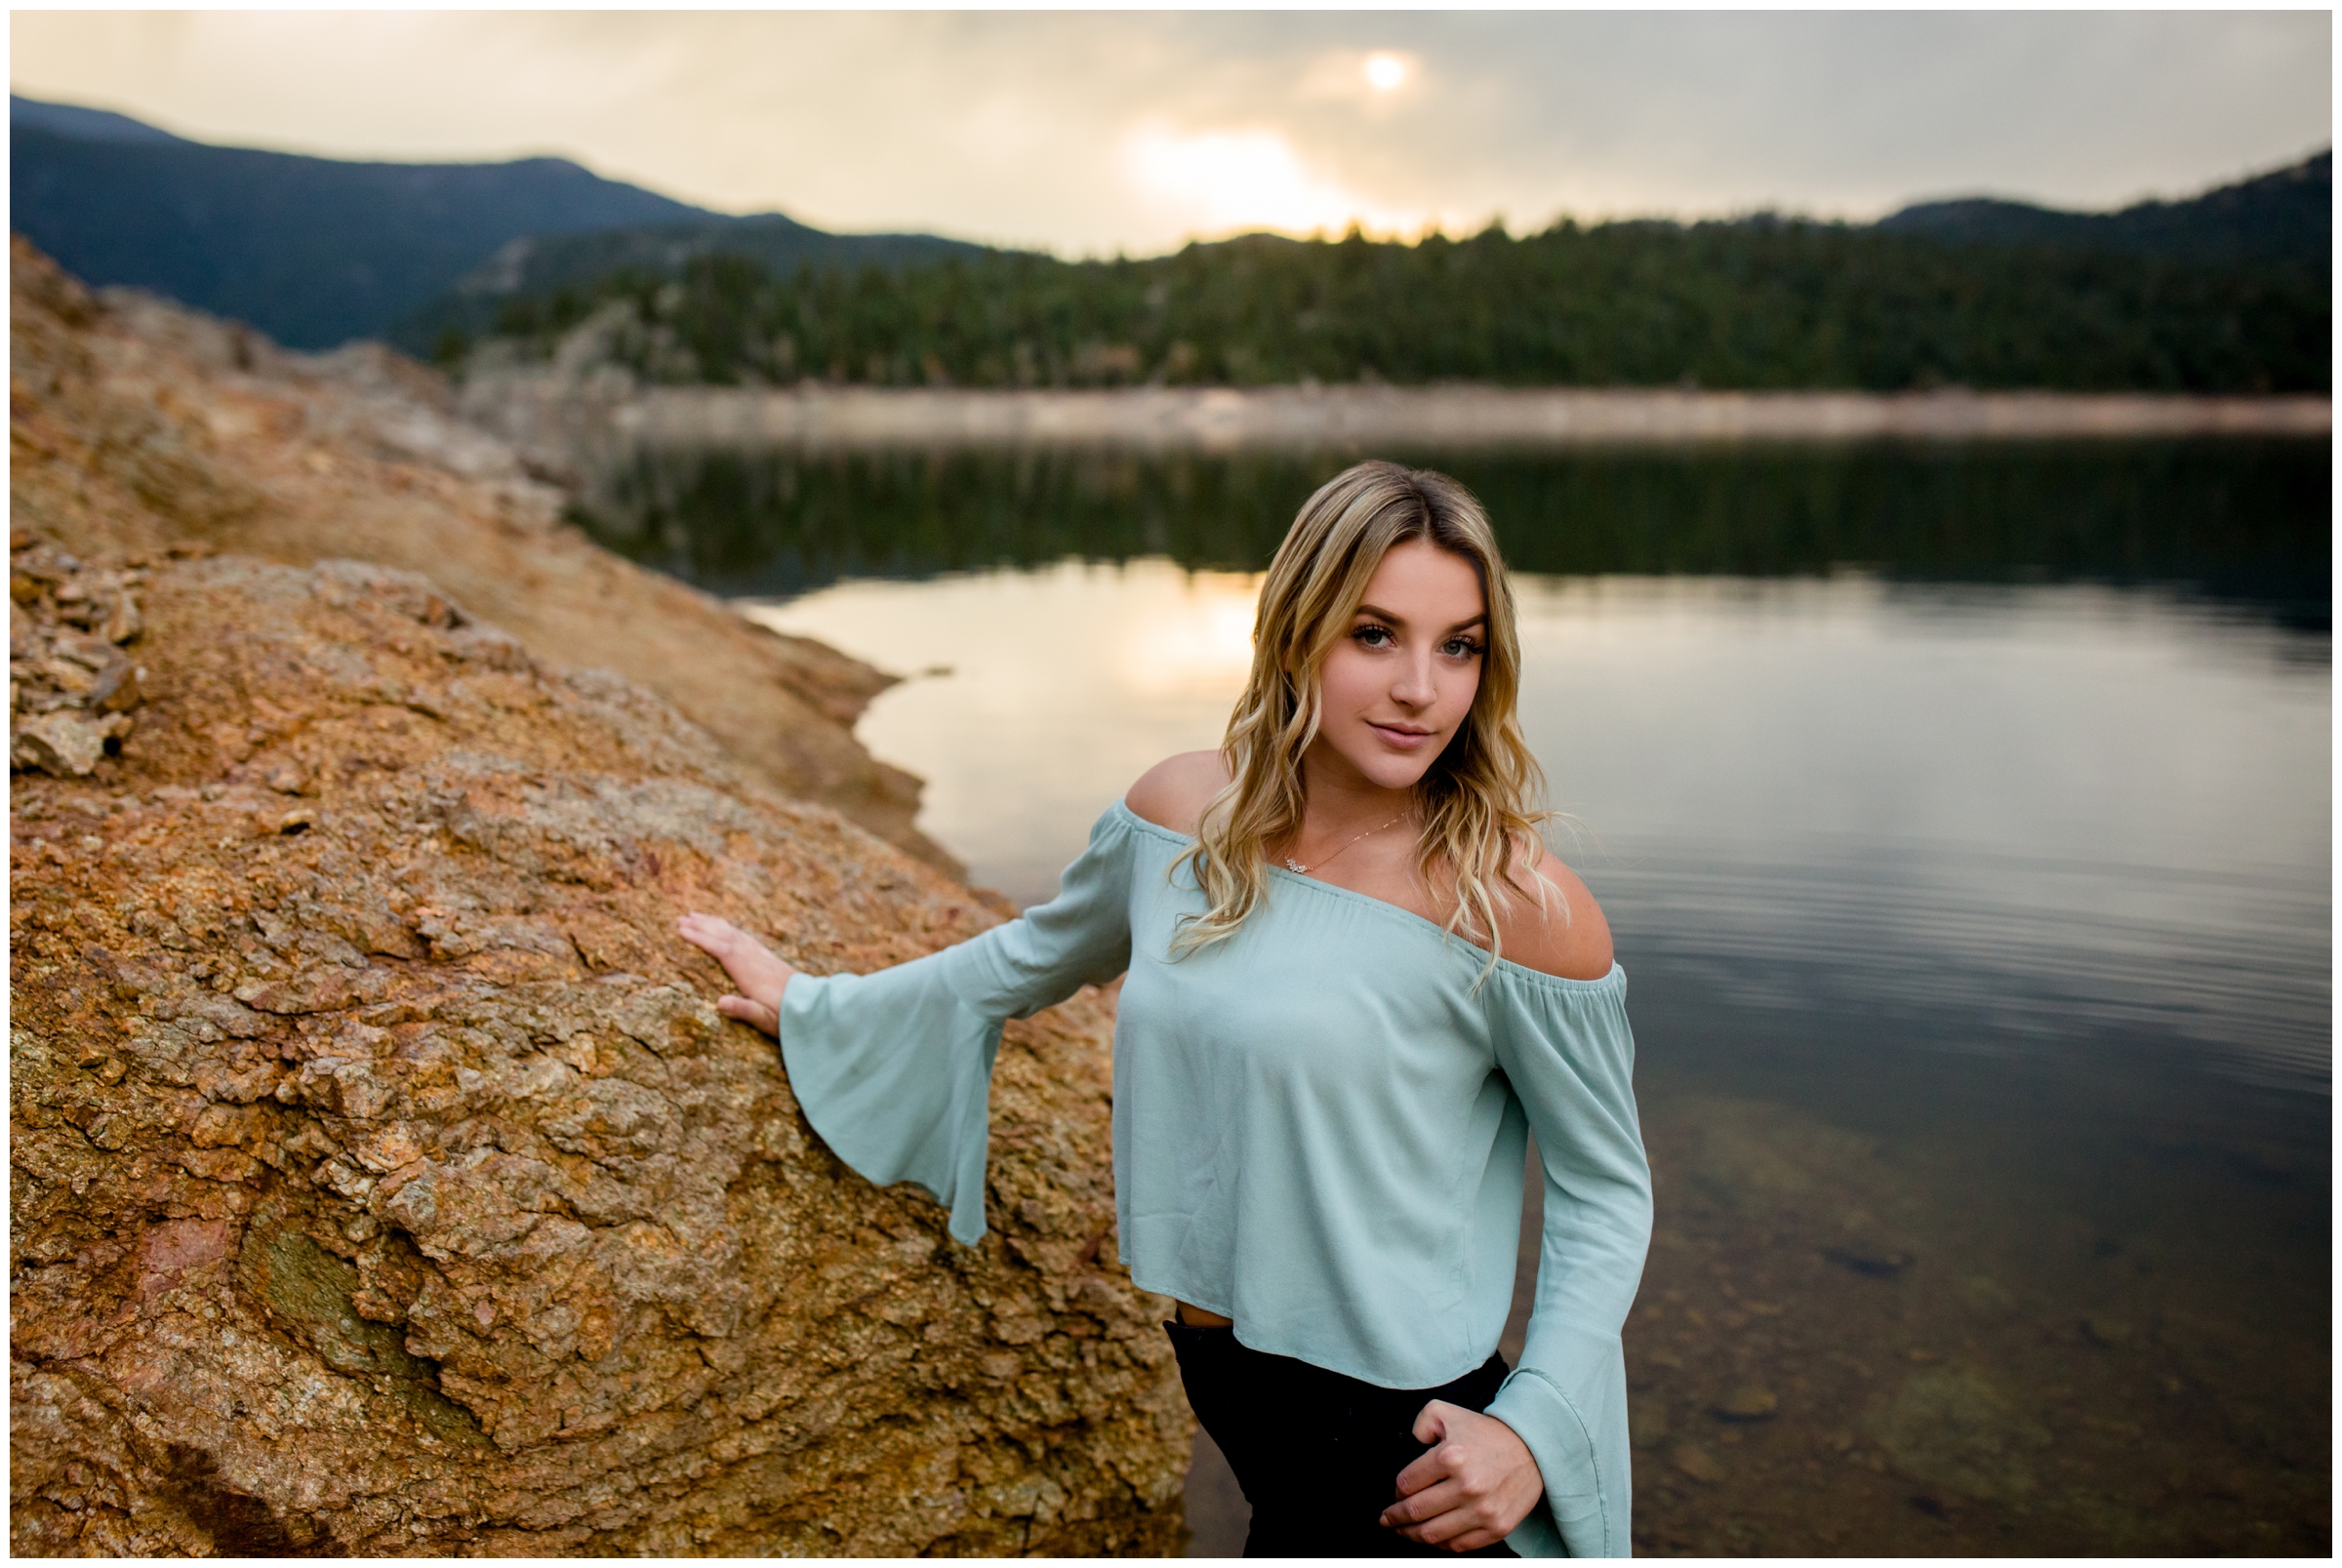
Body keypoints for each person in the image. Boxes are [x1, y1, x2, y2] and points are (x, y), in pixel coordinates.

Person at [679, 461, 1651, 1557]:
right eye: (1373, 634)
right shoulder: (1178, 816)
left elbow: (1603, 1190)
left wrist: (1531, 1428)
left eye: (1458, 645)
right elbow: (1024, 959)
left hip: (1407, 1425)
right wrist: (815, 1005)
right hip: (1229, 1377)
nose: (1421, 687)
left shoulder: (1518, 905)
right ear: (1296, 632)